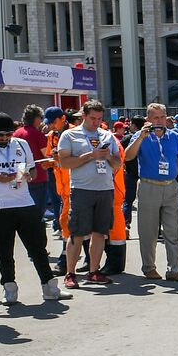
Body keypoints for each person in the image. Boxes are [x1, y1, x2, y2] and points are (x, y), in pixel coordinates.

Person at [0, 112, 70, 304]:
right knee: (5, 251)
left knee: (38, 247)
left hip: (24, 202)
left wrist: (27, 175)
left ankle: (50, 287)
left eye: (8, 135)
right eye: (0, 135)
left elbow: (30, 168)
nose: (5, 139)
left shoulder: (20, 144)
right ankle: (9, 288)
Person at [57, 100, 123, 288]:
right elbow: (65, 163)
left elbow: (117, 164)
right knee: (77, 233)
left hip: (104, 189)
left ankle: (94, 271)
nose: (96, 122)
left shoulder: (107, 135)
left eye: (99, 119)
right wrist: (90, 156)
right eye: (93, 118)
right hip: (81, 189)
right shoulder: (70, 135)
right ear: (84, 116)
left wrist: (108, 156)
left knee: (100, 232)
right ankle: (70, 273)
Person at [123, 103, 178, 281]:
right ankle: (149, 267)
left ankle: (174, 269)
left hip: (171, 186)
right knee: (148, 231)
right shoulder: (140, 135)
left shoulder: (174, 136)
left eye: (162, 117)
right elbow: (127, 156)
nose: (159, 121)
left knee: (172, 231)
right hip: (148, 186)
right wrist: (140, 137)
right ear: (148, 119)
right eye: (155, 117)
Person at [13, 105, 53, 212]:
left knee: (21, 209)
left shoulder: (15, 134)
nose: (41, 120)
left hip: (18, 175)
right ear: (35, 118)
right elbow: (47, 155)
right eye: (40, 117)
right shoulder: (38, 135)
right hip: (38, 177)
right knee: (37, 211)